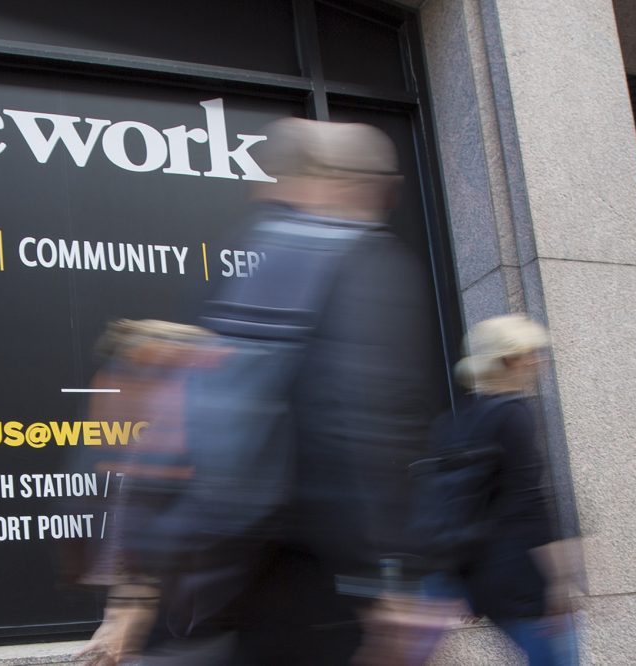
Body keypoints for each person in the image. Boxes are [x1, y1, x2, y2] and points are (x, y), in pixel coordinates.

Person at [78, 118, 438, 665]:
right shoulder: (359, 262)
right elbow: (358, 430)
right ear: (349, 181)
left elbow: (177, 441)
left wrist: (136, 596)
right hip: (310, 574)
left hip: (221, 570)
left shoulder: (242, 264)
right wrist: (383, 580)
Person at [420, 314, 581, 665]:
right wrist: (557, 583)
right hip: (518, 580)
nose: (537, 362)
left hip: (472, 576)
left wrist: (461, 582)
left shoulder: (453, 422)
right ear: (508, 361)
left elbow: (454, 503)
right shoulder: (514, 416)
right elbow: (529, 504)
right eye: (530, 354)